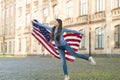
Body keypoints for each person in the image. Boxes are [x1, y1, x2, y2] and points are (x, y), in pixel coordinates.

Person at [32, 19, 96, 80]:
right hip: (59, 47)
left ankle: (89, 58)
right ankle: (66, 76)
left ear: (59, 23)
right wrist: (35, 23)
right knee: (63, 62)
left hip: (65, 45)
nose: (54, 22)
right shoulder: (52, 29)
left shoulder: (62, 29)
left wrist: (79, 33)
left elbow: (71, 31)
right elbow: (43, 25)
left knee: (75, 54)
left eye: (55, 22)